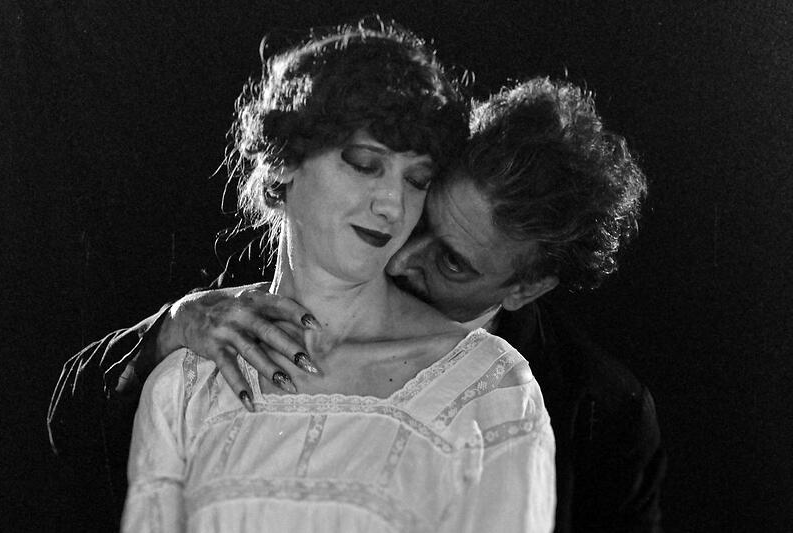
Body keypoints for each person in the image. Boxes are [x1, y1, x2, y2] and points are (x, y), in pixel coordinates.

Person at [48, 76, 660, 533]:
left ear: (525, 288)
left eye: (452, 262)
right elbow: (70, 427)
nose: (399, 255)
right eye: (423, 209)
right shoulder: (293, 270)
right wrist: (174, 325)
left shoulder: (599, 410)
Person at [116, 22, 555, 532]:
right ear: (283, 161)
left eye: (417, 180)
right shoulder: (186, 382)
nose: (392, 205)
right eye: (366, 164)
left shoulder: (489, 389)